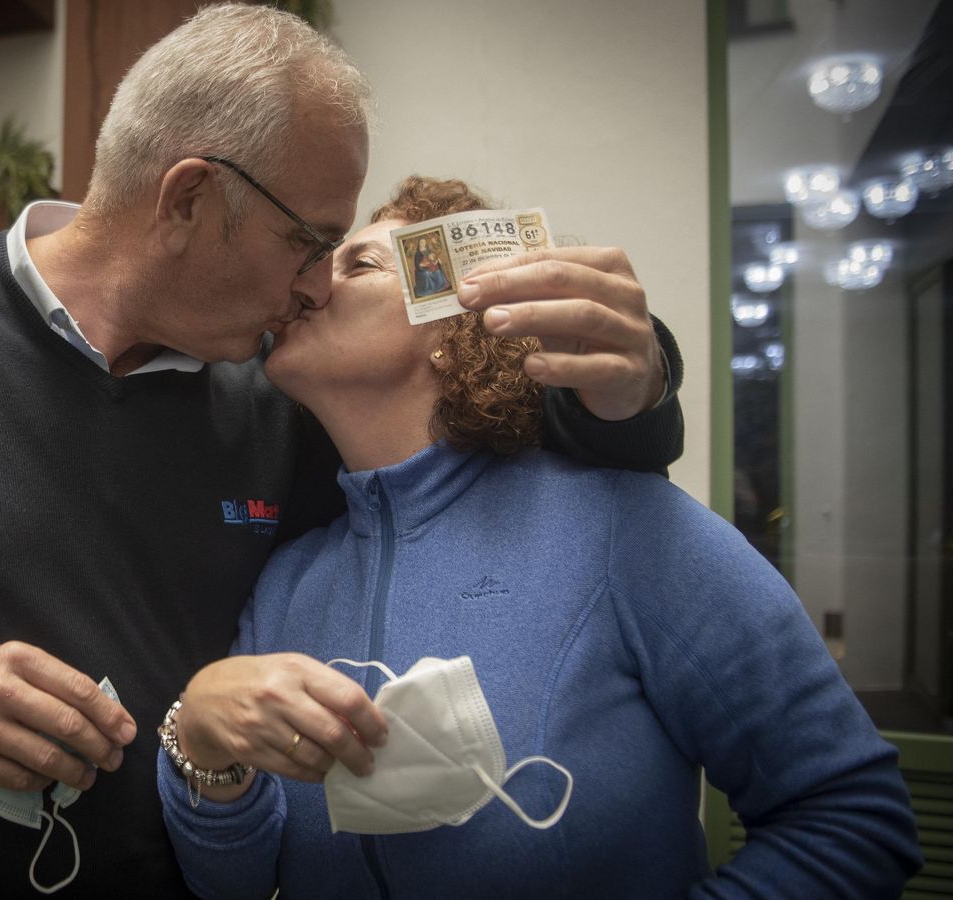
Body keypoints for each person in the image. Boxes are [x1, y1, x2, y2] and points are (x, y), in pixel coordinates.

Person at [0, 6, 686, 896]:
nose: (320, 285)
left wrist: (638, 377)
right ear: (189, 198)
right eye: (306, 242)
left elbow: (490, 417)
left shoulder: (282, 391)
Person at [157, 177, 922, 899]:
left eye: (357, 263)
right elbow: (234, 883)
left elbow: (854, 818)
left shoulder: (624, 529)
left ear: (457, 333)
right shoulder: (288, 581)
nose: (312, 284)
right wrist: (201, 746)